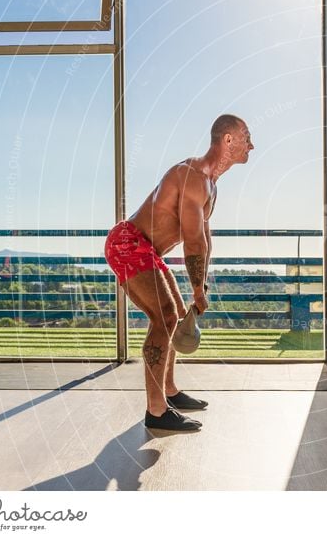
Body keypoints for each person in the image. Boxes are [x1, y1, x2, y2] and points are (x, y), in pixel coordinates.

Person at [104, 114, 254, 431]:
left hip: (147, 249)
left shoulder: (211, 187)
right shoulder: (192, 176)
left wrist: (202, 286)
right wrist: (197, 291)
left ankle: (169, 392)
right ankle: (156, 411)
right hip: (128, 242)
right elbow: (193, 241)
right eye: (246, 138)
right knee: (166, 316)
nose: (251, 146)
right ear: (228, 140)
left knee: (174, 316)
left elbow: (205, 239)